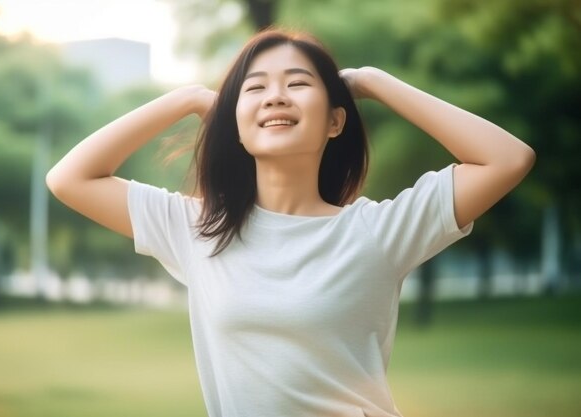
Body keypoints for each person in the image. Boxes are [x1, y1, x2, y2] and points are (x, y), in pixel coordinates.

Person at [46, 29, 535, 417]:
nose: (276, 96)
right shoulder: (197, 229)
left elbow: (508, 159)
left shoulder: (378, 232)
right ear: (235, 123)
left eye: (298, 83)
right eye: (254, 88)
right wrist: (192, 99)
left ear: (335, 121)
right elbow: (70, 178)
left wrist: (371, 82)